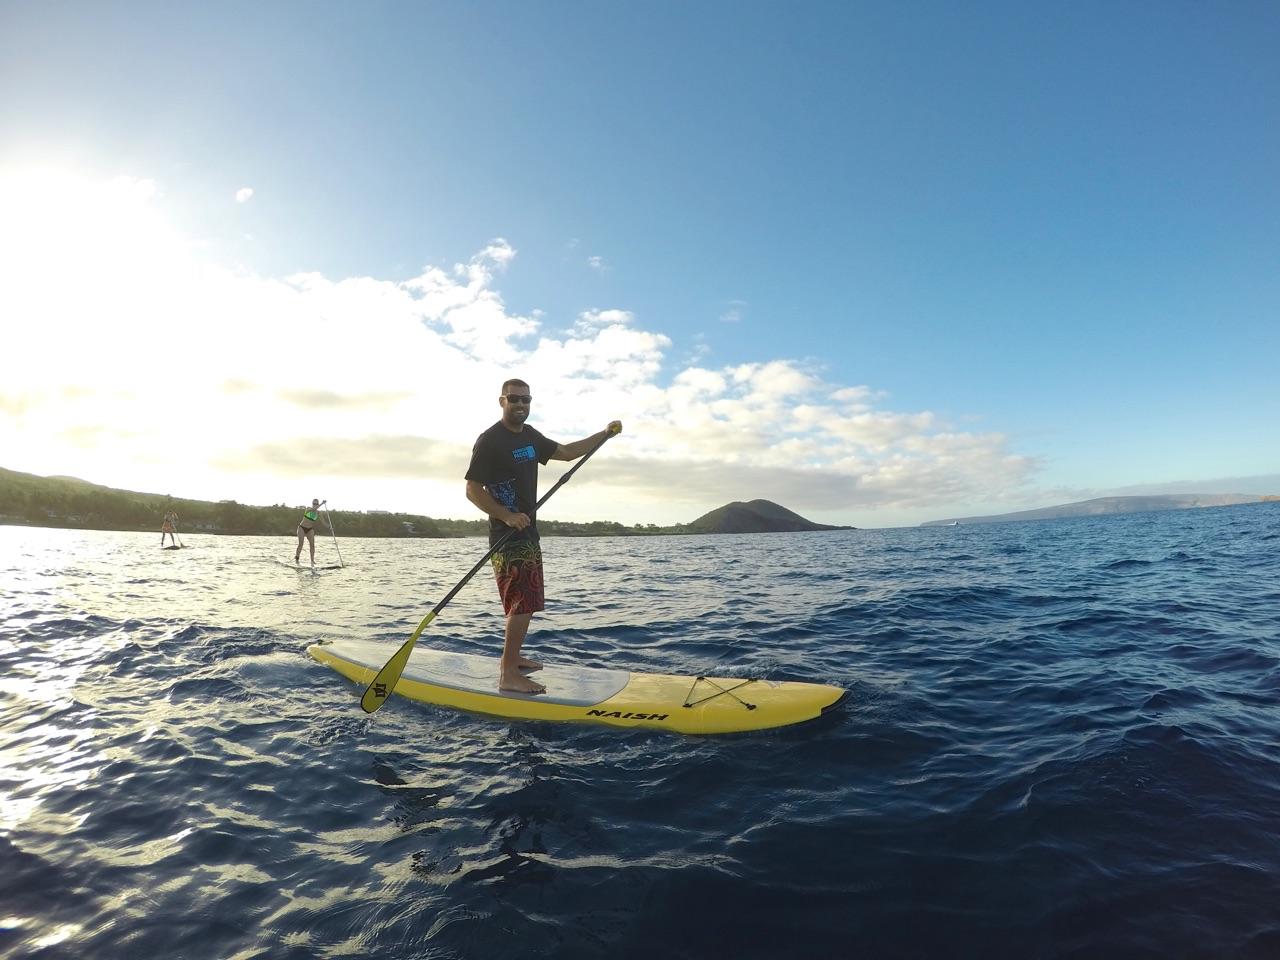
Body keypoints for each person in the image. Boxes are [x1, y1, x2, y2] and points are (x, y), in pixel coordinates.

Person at [465, 378, 621, 694]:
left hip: (529, 533)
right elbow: (472, 489)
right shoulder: (489, 441)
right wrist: (506, 515)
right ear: (502, 401)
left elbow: (565, 452)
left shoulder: (530, 436)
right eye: (514, 399)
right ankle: (508, 673)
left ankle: (514, 658)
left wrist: (603, 436)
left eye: (527, 400)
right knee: (521, 603)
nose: (521, 405)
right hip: (506, 536)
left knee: (529, 601)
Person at [295, 498, 328, 566]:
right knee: (301, 544)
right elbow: (313, 509)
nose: (315, 505)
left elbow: (323, 522)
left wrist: (330, 527)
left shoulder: (319, 513)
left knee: (312, 545)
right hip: (302, 528)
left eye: (316, 504)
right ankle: (297, 558)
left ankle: (312, 561)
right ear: (312, 504)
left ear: (317, 504)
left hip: (310, 529)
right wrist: (322, 503)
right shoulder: (308, 509)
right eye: (314, 504)